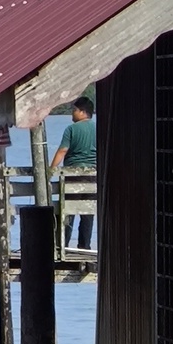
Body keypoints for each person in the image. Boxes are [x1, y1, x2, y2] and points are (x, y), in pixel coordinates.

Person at [50, 96, 96, 248]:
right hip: (92, 176)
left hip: (72, 174)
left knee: (67, 211)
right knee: (88, 212)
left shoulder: (71, 129)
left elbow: (63, 150)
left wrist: (51, 170)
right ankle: (85, 246)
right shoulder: (97, 128)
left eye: (74, 110)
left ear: (83, 112)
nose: (72, 113)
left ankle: (62, 245)